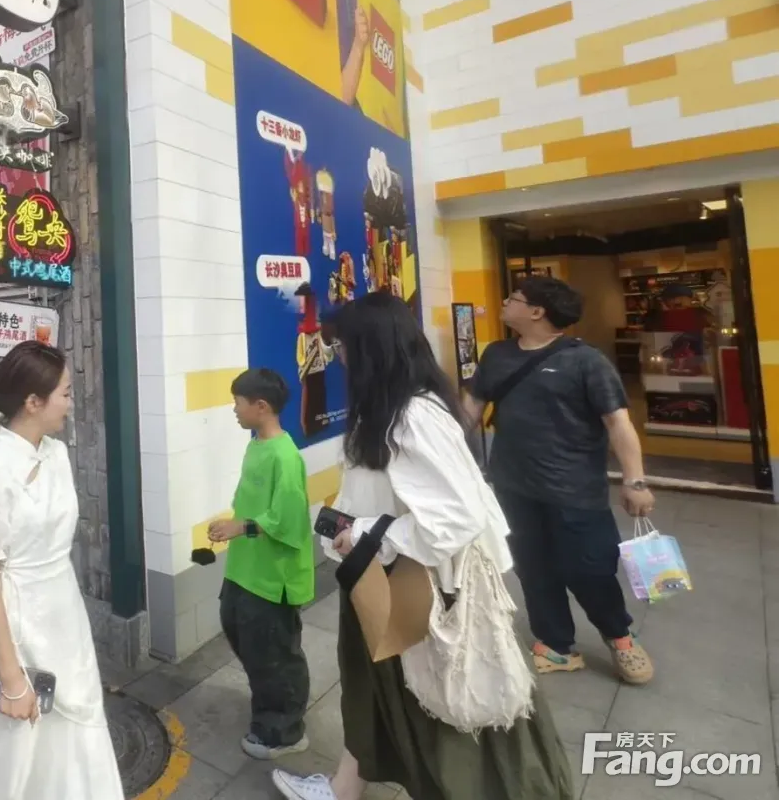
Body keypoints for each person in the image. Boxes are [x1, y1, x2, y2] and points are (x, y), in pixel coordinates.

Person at [273, 292, 574, 800]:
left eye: (343, 345)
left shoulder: (412, 416)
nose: (339, 356)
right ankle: (343, 789)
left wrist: (366, 532)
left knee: (442, 711)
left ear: (371, 349)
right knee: (376, 690)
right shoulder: (399, 409)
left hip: (415, 591)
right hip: (385, 579)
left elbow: (457, 515)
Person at [0, 341, 123, 800]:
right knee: (12, 744)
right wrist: (10, 676)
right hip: (16, 620)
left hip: (64, 610)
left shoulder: (55, 453)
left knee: (76, 731)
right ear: (33, 402)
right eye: (65, 393)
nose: (71, 402)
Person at [465, 277, 654, 684]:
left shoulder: (586, 361)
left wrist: (635, 481)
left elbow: (618, 423)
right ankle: (555, 644)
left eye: (514, 298)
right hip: (513, 487)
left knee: (590, 568)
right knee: (533, 567)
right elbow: (471, 409)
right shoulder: (497, 354)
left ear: (537, 312)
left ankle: (620, 637)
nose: (504, 301)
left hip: (575, 490)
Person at [205, 368, 313, 761]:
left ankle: (284, 731)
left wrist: (241, 527)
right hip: (244, 571)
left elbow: (289, 521)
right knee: (244, 637)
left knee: (276, 656)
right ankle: (269, 708)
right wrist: (232, 525)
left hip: (272, 579)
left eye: (238, 402)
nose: (234, 409)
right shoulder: (256, 446)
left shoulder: (285, 457)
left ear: (261, 406)